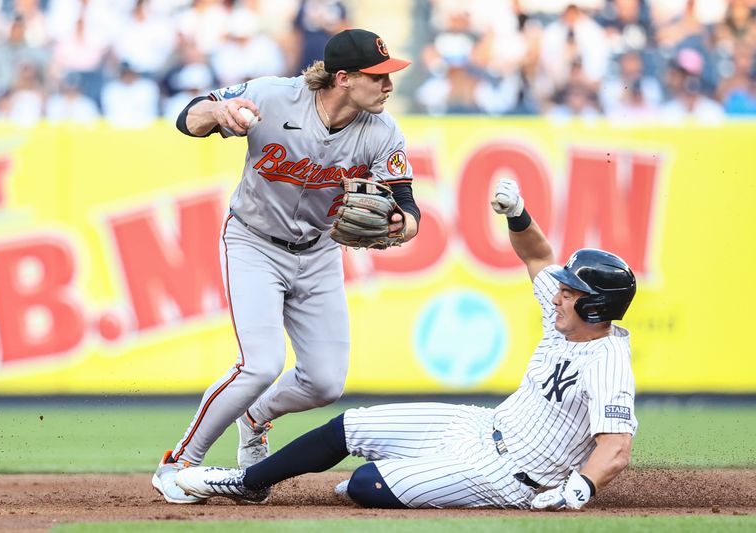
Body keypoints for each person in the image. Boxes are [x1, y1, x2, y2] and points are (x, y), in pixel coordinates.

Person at [173, 177, 638, 510]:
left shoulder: (608, 363)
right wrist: (518, 214)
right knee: (346, 428)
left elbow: (615, 448)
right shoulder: (566, 320)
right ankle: (246, 483)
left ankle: (411, 475)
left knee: (363, 486)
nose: (557, 295)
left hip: (509, 477)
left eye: (571, 293)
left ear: (595, 308)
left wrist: (580, 489)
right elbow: (538, 255)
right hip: (481, 425)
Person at [151, 28, 420, 504]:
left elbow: (408, 206)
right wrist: (218, 112)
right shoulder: (272, 96)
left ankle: (254, 417)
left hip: (317, 253)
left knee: (325, 382)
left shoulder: (382, 132)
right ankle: (179, 463)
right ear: (343, 77)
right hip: (253, 242)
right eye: (377, 76)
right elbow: (186, 117)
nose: (388, 85)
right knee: (260, 364)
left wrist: (402, 224)